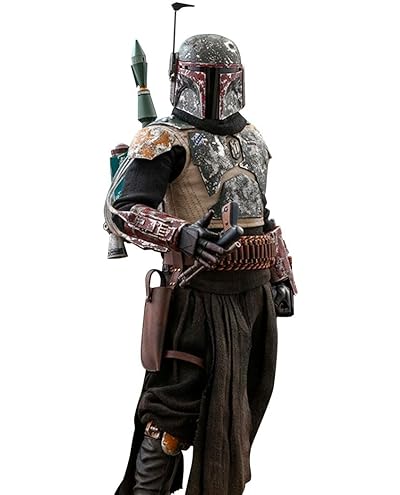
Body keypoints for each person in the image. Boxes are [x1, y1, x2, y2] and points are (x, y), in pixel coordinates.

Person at [105, 33, 296, 495]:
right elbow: (121, 210)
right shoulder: (163, 139)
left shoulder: (252, 138)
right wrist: (182, 233)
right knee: (171, 413)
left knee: (239, 413)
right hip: (194, 298)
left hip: (254, 300)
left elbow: (261, 213)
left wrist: (280, 273)